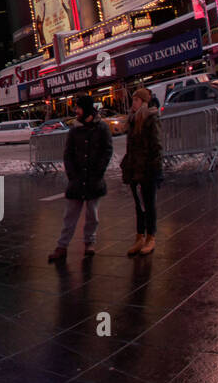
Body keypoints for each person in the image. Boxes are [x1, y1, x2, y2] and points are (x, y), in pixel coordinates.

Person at [48, 95, 113, 262]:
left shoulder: (101, 128)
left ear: (87, 109)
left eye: (78, 108)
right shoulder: (74, 130)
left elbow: (107, 151)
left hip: (93, 179)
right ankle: (61, 247)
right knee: (70, 215)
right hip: (77, 180)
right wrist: (72, 174)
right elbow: (68, 154)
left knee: (92, 214)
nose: (76, 111)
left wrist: (98, 171)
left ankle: (89, 243)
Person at [121, 87, 163, 256]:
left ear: (144, 102)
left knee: (149, 203)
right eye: (133, 101)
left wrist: (154, 167)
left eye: (136, 100)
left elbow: (156, 145)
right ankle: (139, 236)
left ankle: (150, 237)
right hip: (134, 168)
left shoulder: (150, 119)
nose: (133, 104)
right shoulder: (132, 120)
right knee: (139, 205)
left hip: (147, 169)